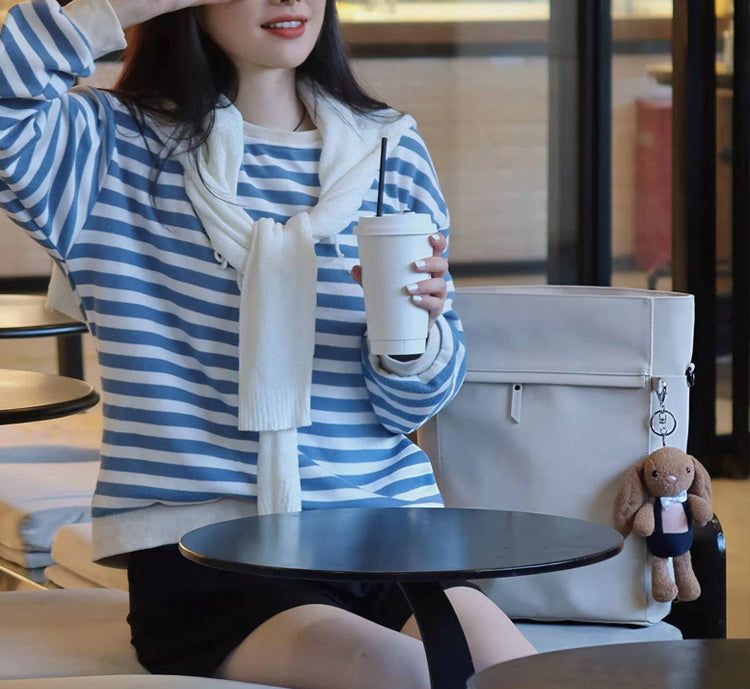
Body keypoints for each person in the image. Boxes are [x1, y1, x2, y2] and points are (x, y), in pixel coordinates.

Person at [0, 0, 536, 686]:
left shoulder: (388, 149)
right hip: (207, 555)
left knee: (528, 676)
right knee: (409, 676)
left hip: (388, 536)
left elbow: (410, 408)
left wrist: (413, 339)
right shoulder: (105, 149)